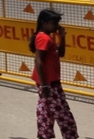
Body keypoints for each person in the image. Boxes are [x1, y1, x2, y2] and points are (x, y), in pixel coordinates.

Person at [30, 9, 77, 139]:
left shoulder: (47, 37)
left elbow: (60, 53)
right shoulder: (43, 38)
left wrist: (62, 37)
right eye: (54, 23)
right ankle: (70, 135)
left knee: (46, 112)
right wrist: (45, 85)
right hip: (50, 83)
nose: (57, 25)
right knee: (64, 115)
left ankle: (45, 135)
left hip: (49, 82)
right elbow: (38, 61)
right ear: (44, 23)